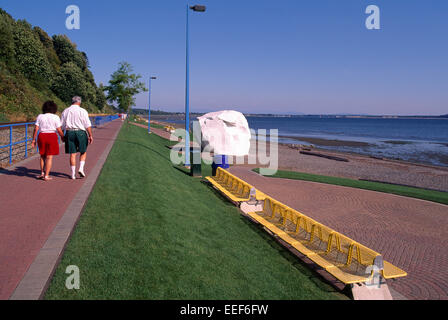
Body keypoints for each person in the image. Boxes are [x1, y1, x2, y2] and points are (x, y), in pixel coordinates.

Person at [61, 96, 93, 180]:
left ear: (72, 101)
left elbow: (62, 125)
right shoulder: (82, 111)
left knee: (73, 153)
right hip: (81, 132)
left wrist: (62, 136)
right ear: (79, 102)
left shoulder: (66, 111)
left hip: (69, 132)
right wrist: (90, 135)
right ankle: (81, 168)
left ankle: (72, 174)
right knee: (83, 151)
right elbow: (87, 124)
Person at [31, 101, 65, 181]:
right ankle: (46, 175)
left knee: (42, 155)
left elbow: (36, 129)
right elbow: (59, 130)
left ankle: (42, 173)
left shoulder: (40, 116)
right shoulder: (56, 117)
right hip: (52, 136)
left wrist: (33, 140)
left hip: (42, 135)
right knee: (49, 157)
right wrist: (63, 137)